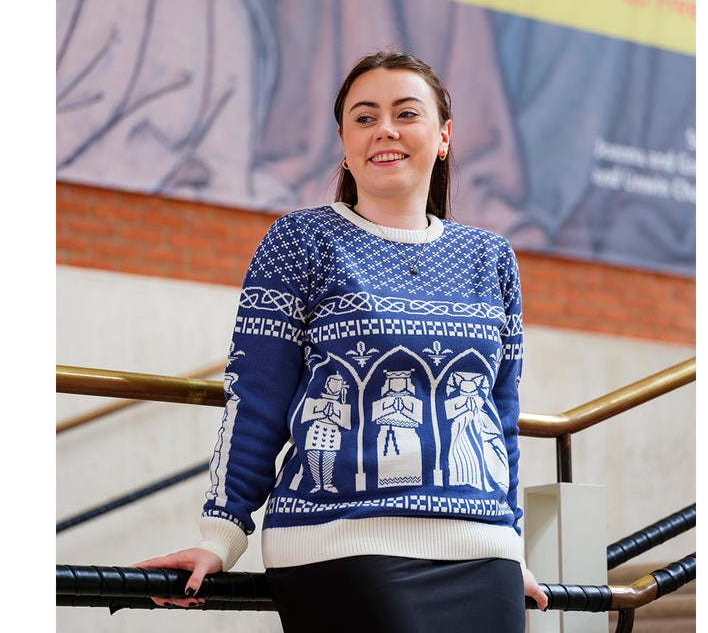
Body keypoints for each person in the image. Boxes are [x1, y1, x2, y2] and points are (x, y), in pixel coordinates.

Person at [134, 51, 548, 631]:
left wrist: (511, 540)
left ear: (444, 136)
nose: (385, 129)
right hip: (344, 543)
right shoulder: (301, 240)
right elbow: (256, 399)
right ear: (344, 141)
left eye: (406, 113)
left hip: (483, 554)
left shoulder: (492, 257)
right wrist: (222, 536)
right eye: (364, 117)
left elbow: (498, 417)